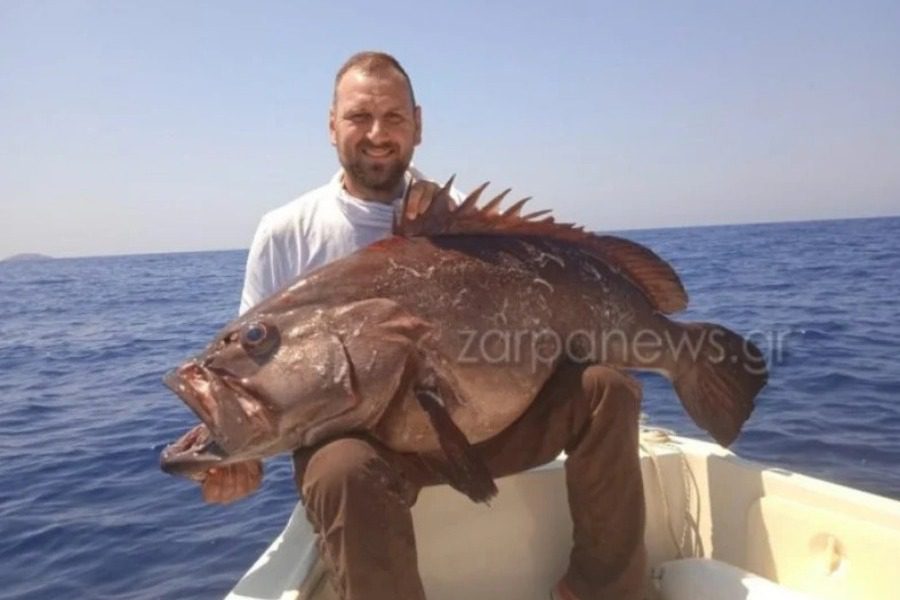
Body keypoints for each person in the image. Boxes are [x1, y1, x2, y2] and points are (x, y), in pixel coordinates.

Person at [198, 51, 647, 600]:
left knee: (607, 389)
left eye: (393, 117)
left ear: (418, 125)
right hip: (367, 447)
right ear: (332, 125)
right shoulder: (286, 232)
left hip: (482, 424)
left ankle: (602, 590)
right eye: (359, 117)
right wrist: (238, 456)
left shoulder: (462, 222)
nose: (377, 134)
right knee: (340, 470)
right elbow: (254, 372)